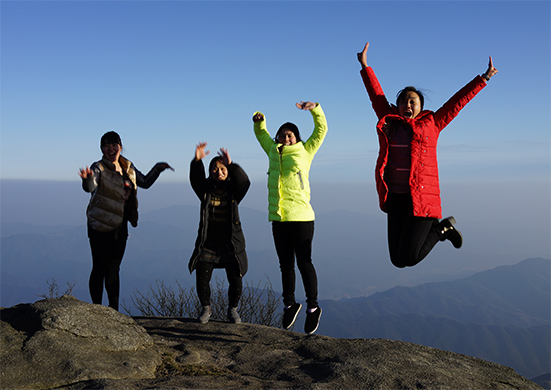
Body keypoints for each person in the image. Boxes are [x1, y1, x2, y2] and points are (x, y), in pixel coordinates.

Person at [357, 42, 498, 268]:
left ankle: (442, 229)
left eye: (413, 101)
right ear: (398, 106)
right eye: (403, 100)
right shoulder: (389, 121)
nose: (408, 104)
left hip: (420, 200)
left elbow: (457, 102)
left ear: (421, 107)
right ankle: (441, 228)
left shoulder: (433, 123)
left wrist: (484, 78)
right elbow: (376, 95)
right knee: (397, 260)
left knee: (410, 258)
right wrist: (365, 66)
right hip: (394, 198)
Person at [252, 101, 327, 335]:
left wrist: (315, 109)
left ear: (297, 137)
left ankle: (313, 308)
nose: (287, 138)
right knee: (285, 265)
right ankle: (289, 304)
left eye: (291, 135)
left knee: (304, 263)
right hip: (279, 218)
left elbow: (321, 130)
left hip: (302, 217)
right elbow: (262, 135)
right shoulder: (272, 151)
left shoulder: (306, 150)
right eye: (283, 135)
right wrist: (259, 120)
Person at [79, 131, 173, 311]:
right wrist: (87, 179)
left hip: (120, 225)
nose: (111, 149)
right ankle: (97, 309)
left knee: (113, 269)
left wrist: (158, 168)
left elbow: (144, 181)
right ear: (102, 149)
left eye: (114, 145)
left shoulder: (128, 167)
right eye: (106, 145)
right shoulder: (98, 167)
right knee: (99, 267)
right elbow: (91, 187)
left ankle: (114, 310)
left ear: (121, 147)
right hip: (99, 224)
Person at [188, 143, 250, 324]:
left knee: (235, 277)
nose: (219, 172)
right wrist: (197, 161)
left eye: (222, 169)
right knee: (202, 274)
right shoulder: (205, 190)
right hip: (208, 241)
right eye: (215, 169)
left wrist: (231, 165)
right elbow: (195, 180)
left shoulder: (234, 190)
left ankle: (232, 310)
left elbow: (245, 182)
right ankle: (205, 309)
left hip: (231, 242)